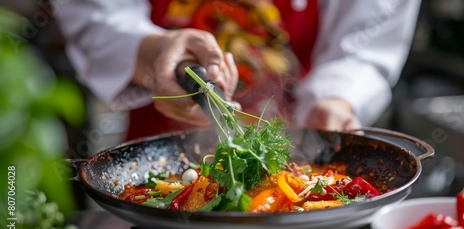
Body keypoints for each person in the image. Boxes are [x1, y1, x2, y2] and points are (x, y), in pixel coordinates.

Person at [51, 0, 421, 141]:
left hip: (303, 142)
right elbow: (92, 12)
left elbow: (369, 34)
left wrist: (336, 98)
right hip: (161, 152)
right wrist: (154, 53)